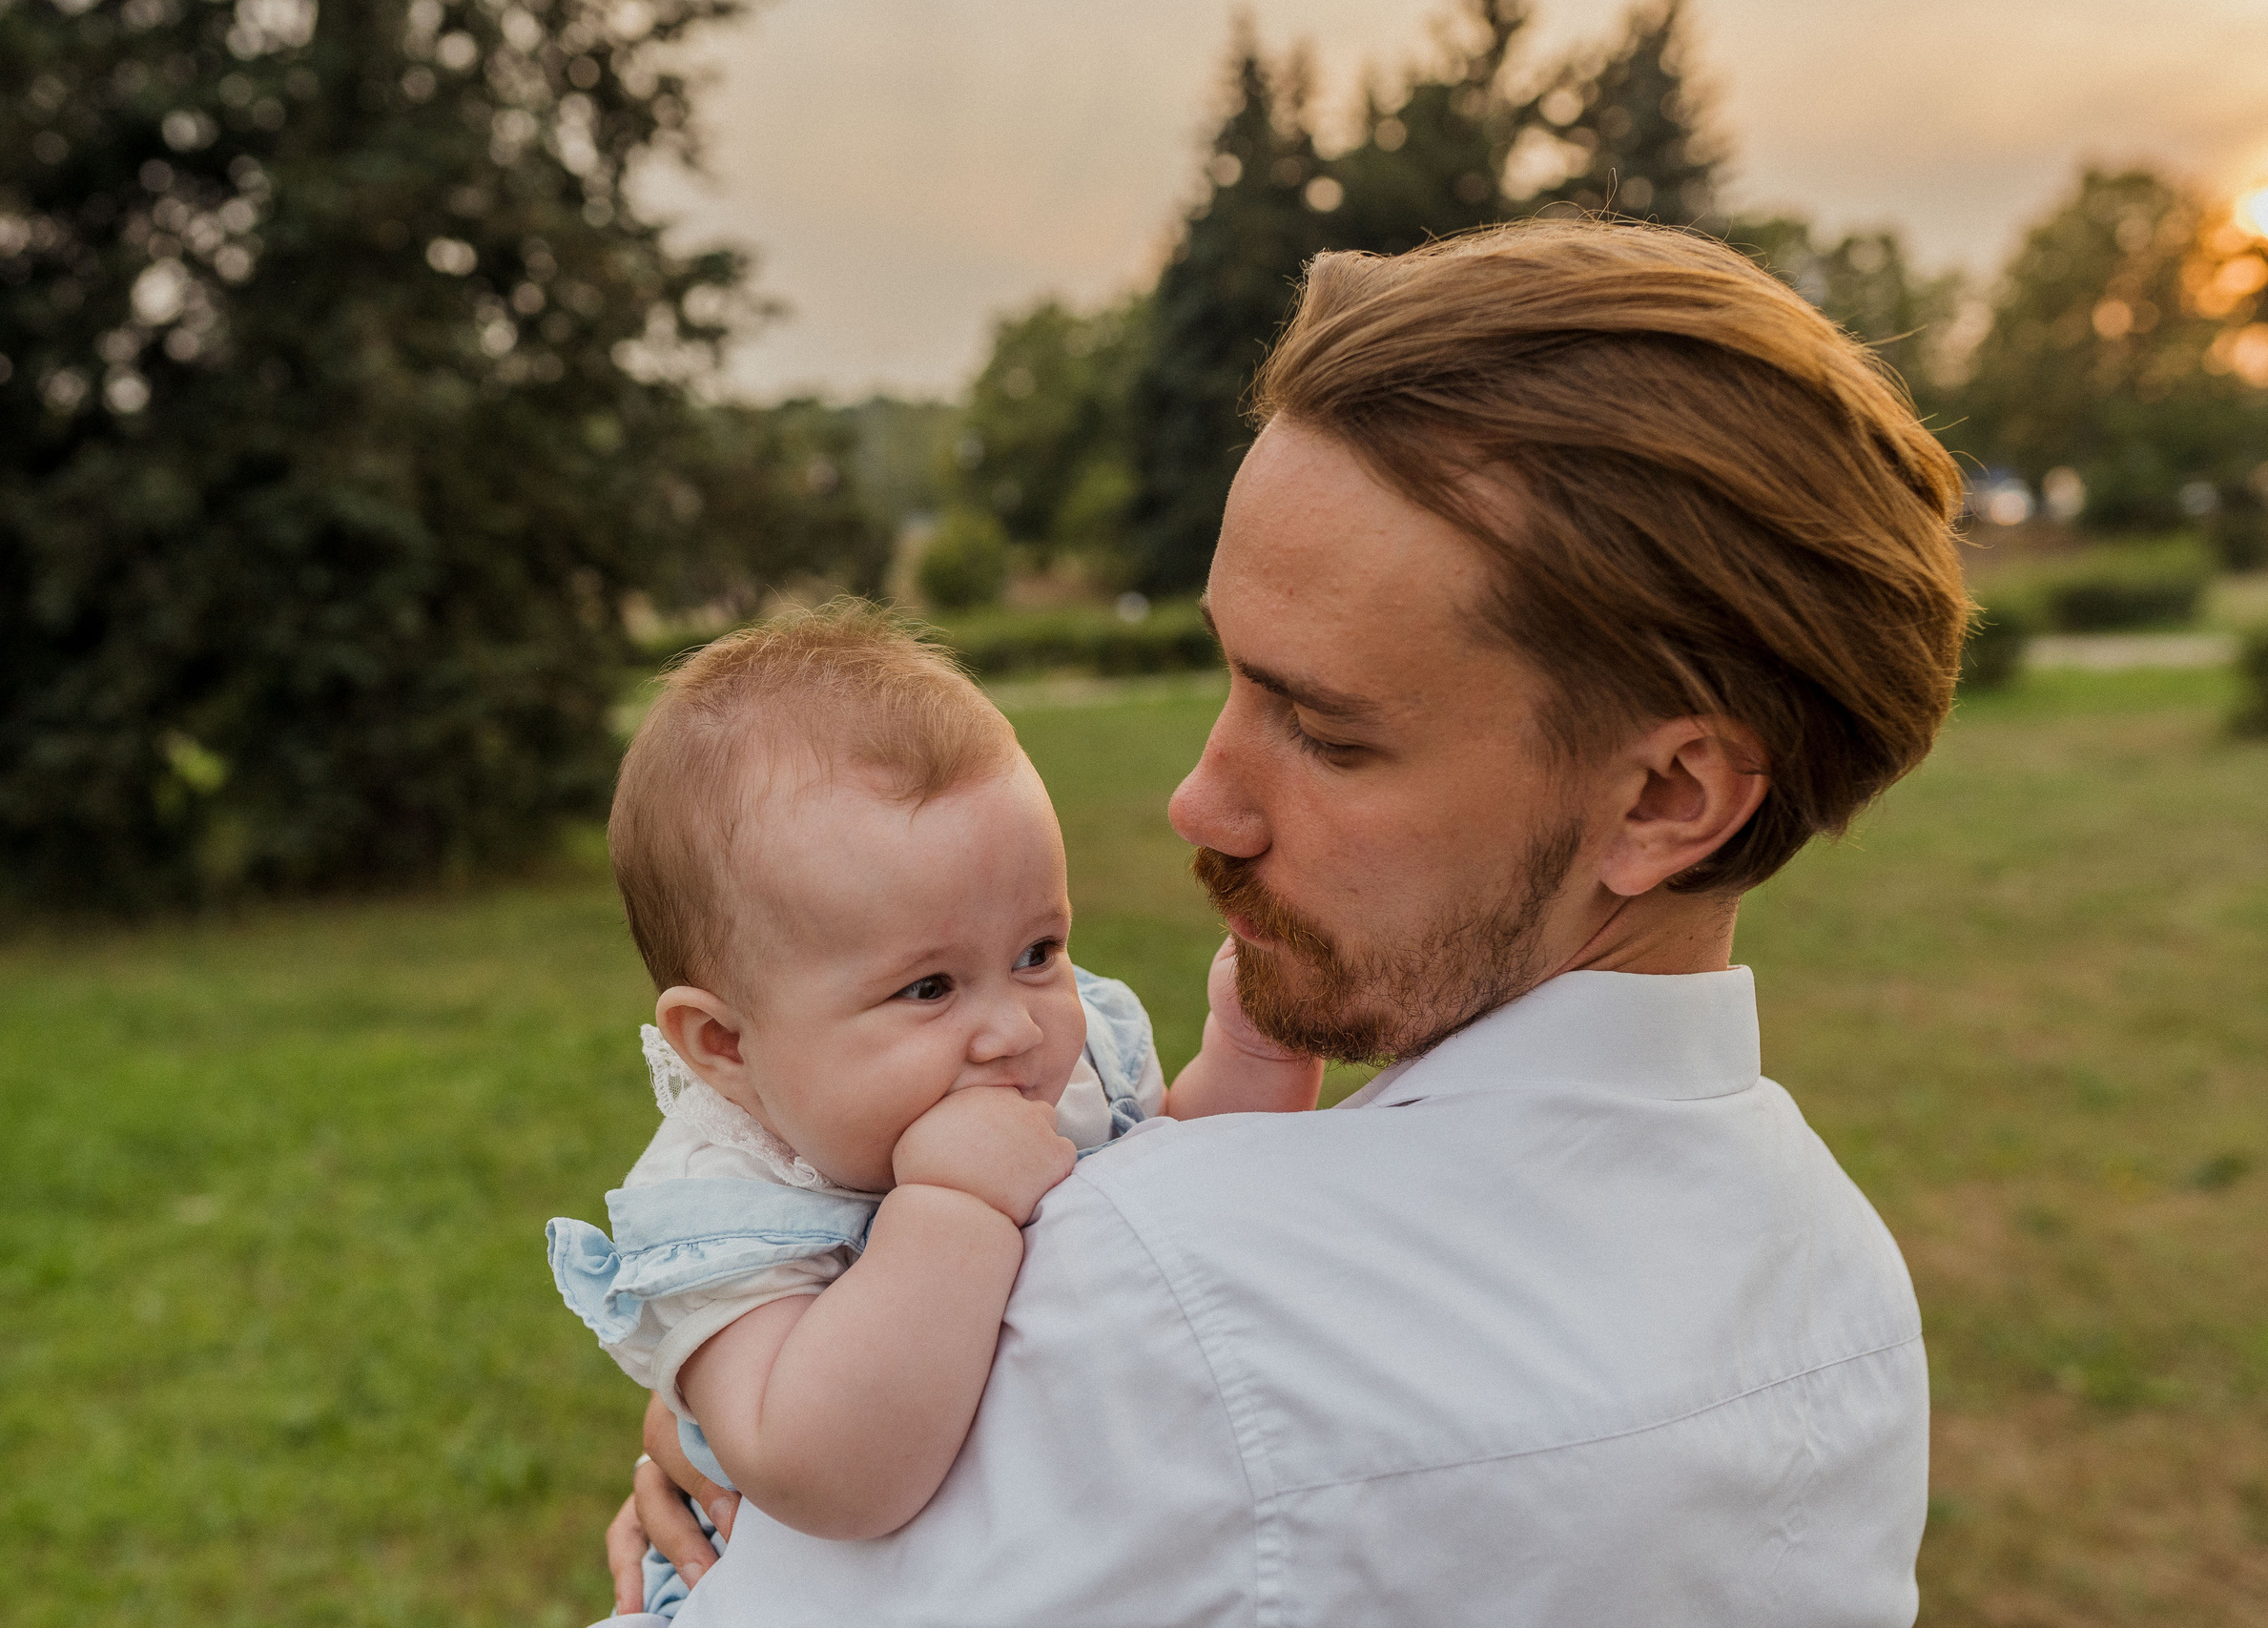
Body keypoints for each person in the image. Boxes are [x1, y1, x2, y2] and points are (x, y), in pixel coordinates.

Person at [610, 218, 1970, 1625]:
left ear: (1668, 798)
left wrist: (736, 1537)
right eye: (1233, 676)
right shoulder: (1845, 1283)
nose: (1200, 801)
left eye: (1325, 731)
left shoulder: (1161, 1303)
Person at [546, 608, 1322, 1620]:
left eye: (1038, 952)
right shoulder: (732, 1205)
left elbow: (1187, 1183)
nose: (1013, 1029)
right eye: (928, 988)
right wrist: (950, 1206)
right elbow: (827, 1475)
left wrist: (1254, 1055)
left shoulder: (1068, 1064)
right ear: (726, 1045)